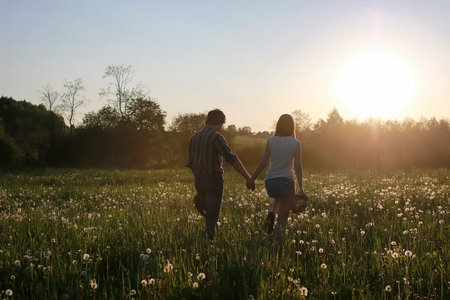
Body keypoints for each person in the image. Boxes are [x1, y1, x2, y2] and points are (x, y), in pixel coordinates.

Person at [187, 109, 255, 240]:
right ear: (220, 123)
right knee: (212, 219)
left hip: (198, 180)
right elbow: (232, 159)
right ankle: (206, 244)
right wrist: (248, 178)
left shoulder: (193, 138)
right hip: (213, 180)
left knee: (210, 213)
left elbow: (191, 162)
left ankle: (203, 204)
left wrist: (198, 175)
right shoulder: (216, 137)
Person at [248, 114, 308, 241]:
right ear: (292, 127)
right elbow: (297, 166)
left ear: (278, 125)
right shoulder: (296, 143)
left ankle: (271, 214)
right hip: (286, 182)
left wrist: (252, 179)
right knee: (283, 217)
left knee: (279, 197)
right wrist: (301, 188)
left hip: (270, 182)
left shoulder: (271, 140)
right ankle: (278, 246)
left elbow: (263, 162)